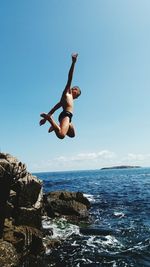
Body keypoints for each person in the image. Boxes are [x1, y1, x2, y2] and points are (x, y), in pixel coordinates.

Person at [39, 53, 81, 139]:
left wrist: (44, 119)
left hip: (68, 117)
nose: (77, 96)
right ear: (74, 90)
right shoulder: (67, 93)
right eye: (77, 92)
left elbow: (54, 108)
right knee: (61, 135)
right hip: (65, 115)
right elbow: (70, 78)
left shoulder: (66, 100)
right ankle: (52, 121)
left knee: (72, 135)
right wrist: (73, 63)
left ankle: (57, 125)